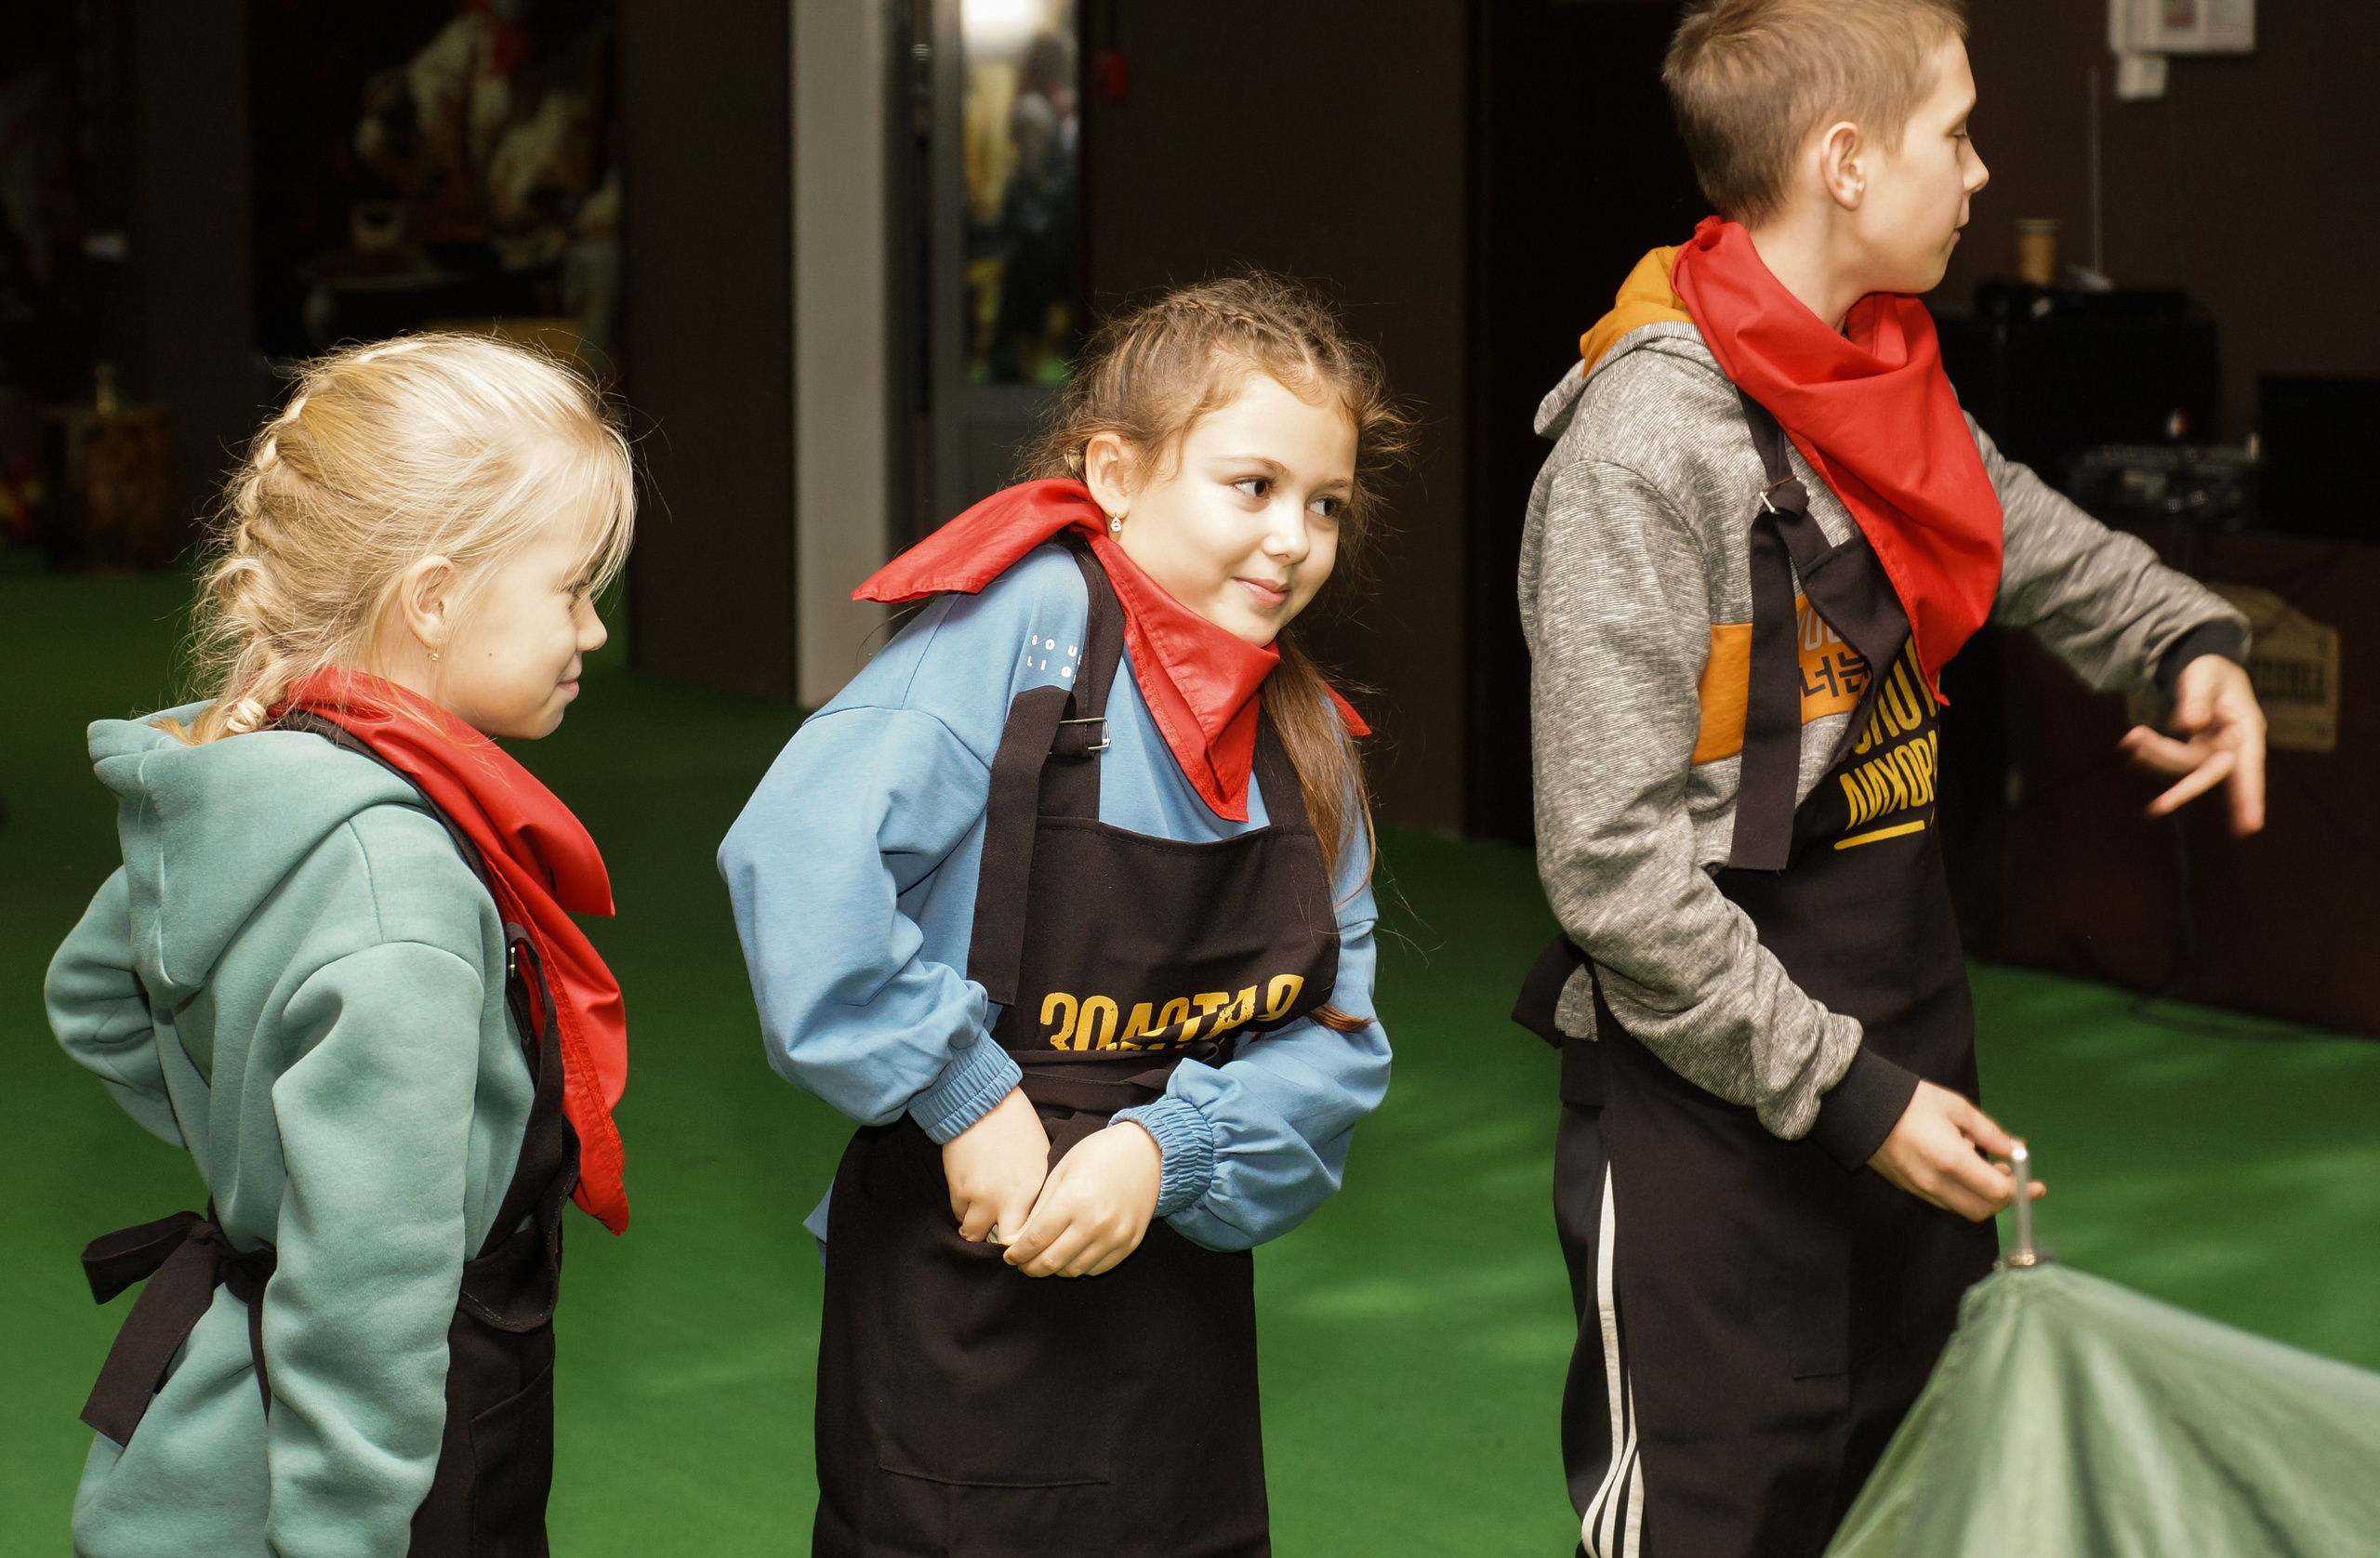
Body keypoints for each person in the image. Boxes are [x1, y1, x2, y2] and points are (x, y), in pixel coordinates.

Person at [1514, 4, 2268, 1555]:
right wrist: (1849, 1098)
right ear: (1846, 164)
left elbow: (2039, 540)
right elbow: (1610, 872)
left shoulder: (1880, 381)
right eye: (1959, 132)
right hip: (1718, 1132)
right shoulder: (1644, 446)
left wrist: (2190, 644)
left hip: (1913, 1071)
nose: (1984, 173)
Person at [720, 275, 1403, 1558]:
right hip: (961, 1267)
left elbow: (1339, 1040)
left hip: (1177, 1298)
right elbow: (801, 855)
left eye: (1326, 506)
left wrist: (1166, 1154)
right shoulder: (1023, 629)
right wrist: (964, 1090)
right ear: (1117, 475)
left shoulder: (1305, 737)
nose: (1293, 539)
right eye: (1251, 487)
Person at [46, 333, 637, 1558]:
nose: (592, 631)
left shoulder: (255, 777)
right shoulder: (402, 899)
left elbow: (98, 994)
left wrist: (262, 1149)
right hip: (389, 1476)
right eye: (571, 588)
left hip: (242, 1404)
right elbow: (366, 1315)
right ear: (432, 598)